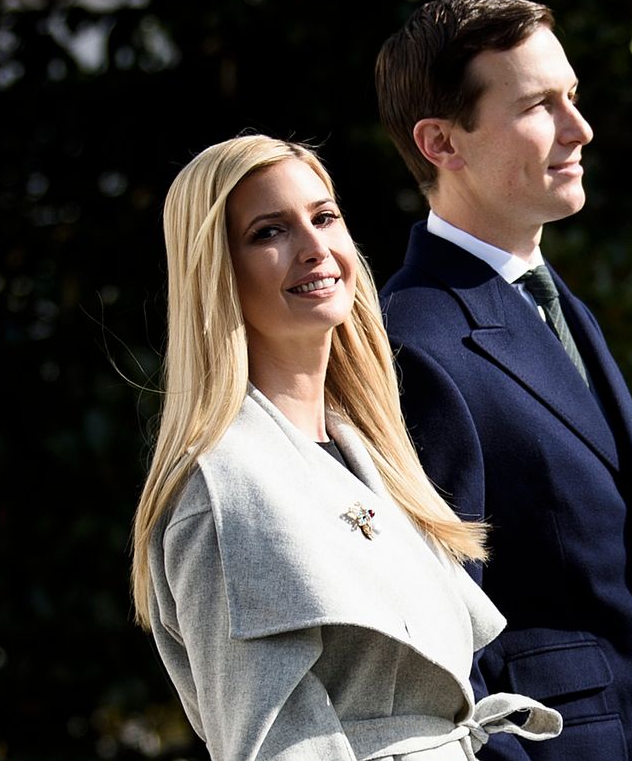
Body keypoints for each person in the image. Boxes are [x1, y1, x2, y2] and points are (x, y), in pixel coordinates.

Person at [129, 134, 561, 760]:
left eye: (324, 217)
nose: (314, 249)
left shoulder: (361, 448)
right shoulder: (225, 490)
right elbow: (273, 747)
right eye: (269, 232)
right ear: (216, 272)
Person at [374, 0, 632, 759]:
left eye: (572, 95)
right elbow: (434, 639)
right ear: (440, 142)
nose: (580, 127)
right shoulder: (412, 341)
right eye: (538, 105)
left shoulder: (552, 298)